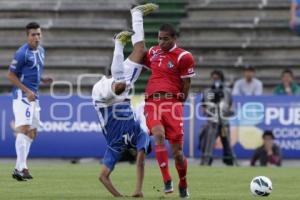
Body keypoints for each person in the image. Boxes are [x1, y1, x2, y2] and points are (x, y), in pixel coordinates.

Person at [92, 3, 158, 197]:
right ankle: (136, 15)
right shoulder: (141, 133)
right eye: (142, 149)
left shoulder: (115, 147)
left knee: (121, 86)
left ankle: (119, 43)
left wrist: (119, 196)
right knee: (140, 52)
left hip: (101, 100)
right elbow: (140, 161)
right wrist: (137, 191)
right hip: (120, 95)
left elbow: (103, 177)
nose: (140, 152)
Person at [143, 23, 195, 198]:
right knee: (158, 134)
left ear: (174, 39)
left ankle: (183, 182)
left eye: (165, 39)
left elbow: (186, 83)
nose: (161, 42)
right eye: (159, 38)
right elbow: (137, 52)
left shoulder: (184, 57)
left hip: (172, 104)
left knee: (178, 153)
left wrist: (180, 102)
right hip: (152, 101)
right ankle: (166, 179)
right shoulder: (153, 52)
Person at [7, 22, 53, 181]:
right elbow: (11, 76)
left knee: (32, 133)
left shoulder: (41, 51)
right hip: (22, 96)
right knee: (25, 128)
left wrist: (43, 79)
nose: (37, 37)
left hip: (34, 96)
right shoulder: (21, 53)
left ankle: (20, 168)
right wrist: (26, 91)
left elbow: (33, 73)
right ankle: (20, 168)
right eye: (33, 34)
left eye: (39, 34)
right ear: (28, 36)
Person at [199, 70, 235, 166]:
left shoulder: (227, 92)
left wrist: (225, 111)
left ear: (221, 79)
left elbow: (231, 106)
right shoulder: (207, 92)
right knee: (208, 143)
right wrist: (209, 111)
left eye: (217, 78)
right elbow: (203, 106)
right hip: (212, 122)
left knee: (227, 143)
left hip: (224, 123)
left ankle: (230, 161)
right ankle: (206, 161)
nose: (215, 80)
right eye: (214, 78)